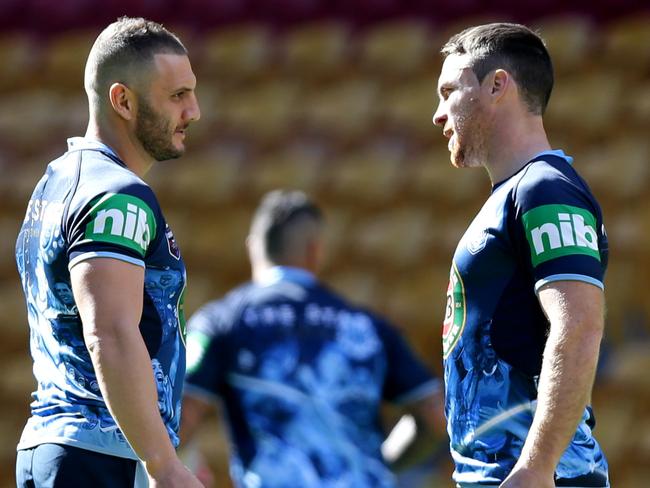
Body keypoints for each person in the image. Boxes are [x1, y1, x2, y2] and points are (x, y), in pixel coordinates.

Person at [15, 17, 202, 487]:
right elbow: (110, 331)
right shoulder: (118, 194)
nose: (194, 111)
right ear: (122, 100)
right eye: (177, 95)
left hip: (62, 449)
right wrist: (163, 464)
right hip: (100, 457)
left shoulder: (54, 182)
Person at [432, 23, 609, 488]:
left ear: (496, 86)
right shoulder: (513, 195)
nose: (437, 114)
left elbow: (579, 325)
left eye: (448, 91)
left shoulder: (544, 188)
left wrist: (536, 467)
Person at [179, 189, 446, 487]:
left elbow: (181, 416)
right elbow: (435, 416)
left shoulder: (221, 320)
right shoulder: (367, 326)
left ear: (253, 247)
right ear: (315, 250)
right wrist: (381, 464)